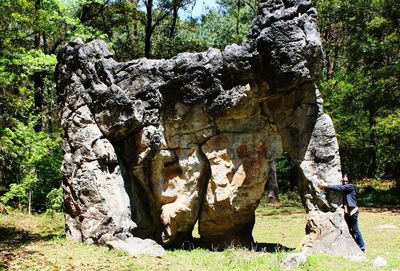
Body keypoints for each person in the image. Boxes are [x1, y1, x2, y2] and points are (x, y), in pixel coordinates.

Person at [318, 174, 366, 252]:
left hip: (353, 212)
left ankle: (362, 247)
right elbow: (338, 187)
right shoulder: (345, 187)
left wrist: (326, 185)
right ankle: (355, 246)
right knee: (350, 230)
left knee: (355, 230)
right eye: (344, 181)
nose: (345, 182)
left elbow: (340, 188)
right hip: (347, 212)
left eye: (347, 181)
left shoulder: (350, 186)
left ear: (349, 181)